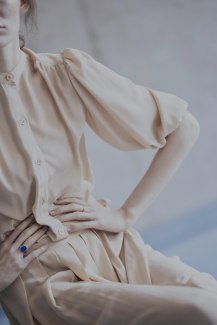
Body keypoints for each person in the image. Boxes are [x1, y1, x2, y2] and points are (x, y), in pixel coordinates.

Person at [0, 1, 217, 324]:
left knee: (211, 296)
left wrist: (125, 214)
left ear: (22, 2)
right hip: (46, 281)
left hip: (113, 247)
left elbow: (184, 127)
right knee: (202, 311)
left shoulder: (63, 72)